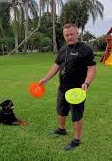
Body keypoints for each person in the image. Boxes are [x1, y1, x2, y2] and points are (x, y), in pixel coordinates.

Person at [38, 23, 96, 151]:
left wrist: (86, 83)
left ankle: (77, 139)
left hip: (77, 90)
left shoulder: (85, 49)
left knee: (76, 114)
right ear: (64, 36)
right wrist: (45, 79)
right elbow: (56, 66)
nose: (69, 37)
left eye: (71, 34)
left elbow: (92, 69)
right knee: (61, 110)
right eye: (66, 35)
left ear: (77, 33)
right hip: (62, 87)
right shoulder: (63, 49)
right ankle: (61, 129)